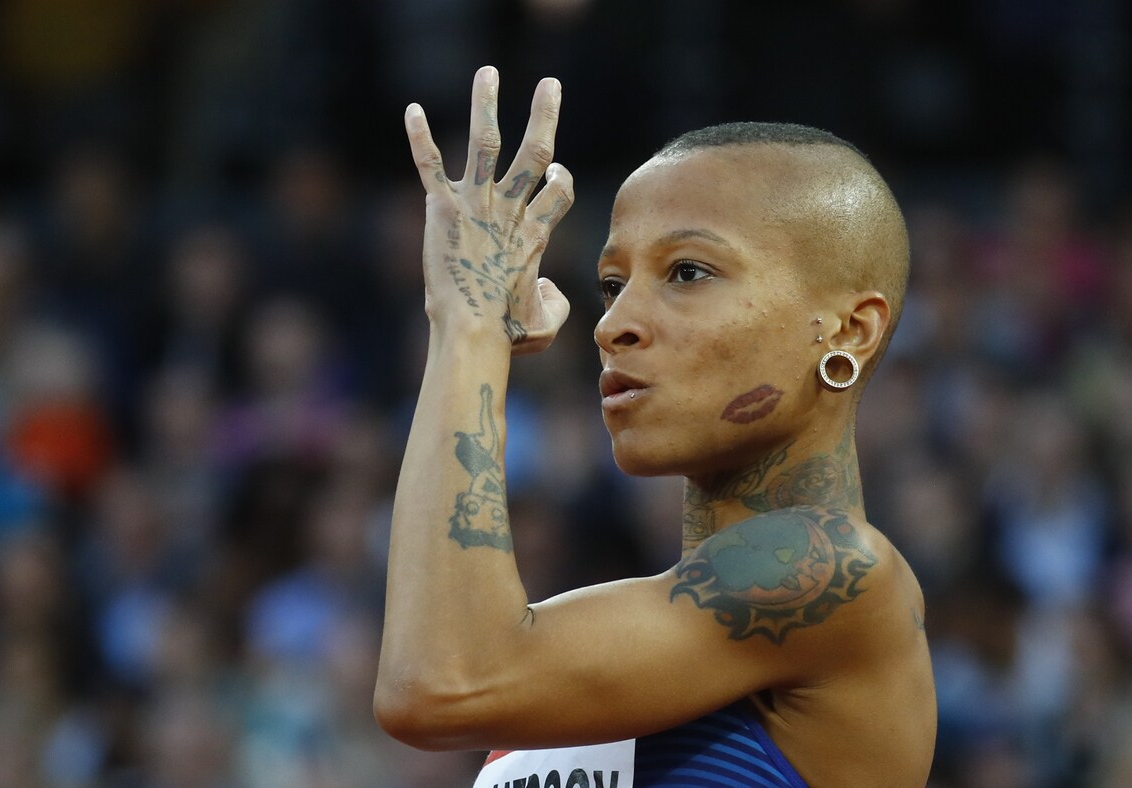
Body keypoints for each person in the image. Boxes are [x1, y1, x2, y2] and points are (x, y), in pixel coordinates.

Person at [374, 65, 937, 788]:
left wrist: (468, 326)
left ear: (850, 330)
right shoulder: (628, 627)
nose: (614, 324)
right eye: (613, 284)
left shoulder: (837, 573)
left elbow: (439, 682)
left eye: (688, 272)